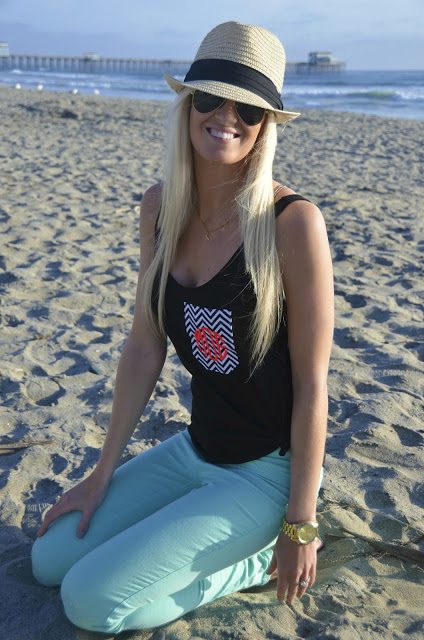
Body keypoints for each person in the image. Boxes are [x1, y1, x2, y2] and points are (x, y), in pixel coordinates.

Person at [31, 21, 334, 634]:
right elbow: (145, 346)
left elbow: (312, 384)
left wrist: (300, 522)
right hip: (195, 450)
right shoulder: (160, 207)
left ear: (266, 125)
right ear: (188, 105)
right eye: (211, 99)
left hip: (265, 473)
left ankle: (247, 564)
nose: (227, 118)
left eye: (248, 109)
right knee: (49, 560)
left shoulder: (292, 224)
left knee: (90, 602)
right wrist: (101, 474)